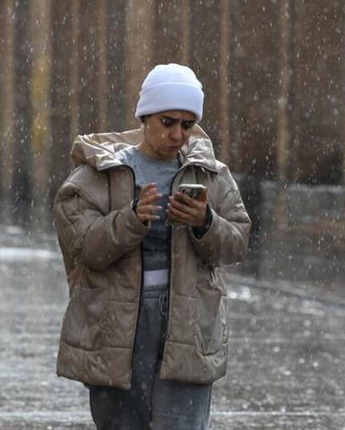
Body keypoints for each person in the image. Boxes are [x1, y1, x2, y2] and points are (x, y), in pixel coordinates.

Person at [53, 63, 251, 429]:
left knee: (183, 423)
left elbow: (237, 243)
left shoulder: (210, 173)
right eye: (168, 122)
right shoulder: (97, 175)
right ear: (146, 116)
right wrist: (130, 220)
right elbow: (84, 248)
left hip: (188, 320)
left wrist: (204, 222)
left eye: (187, 124)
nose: (178, 134)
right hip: (118, 321)